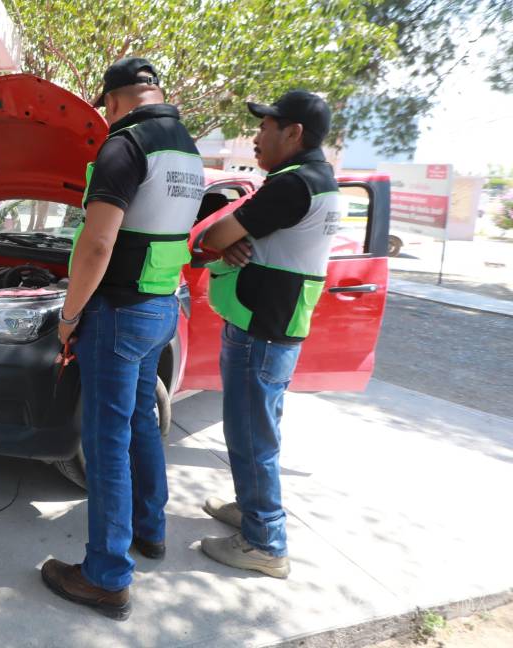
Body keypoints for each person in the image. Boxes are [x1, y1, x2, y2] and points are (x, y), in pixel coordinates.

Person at [40, 57, 205, 620]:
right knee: (139, 423)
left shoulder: (124, 145)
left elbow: (96, 245)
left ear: (112, 100)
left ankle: (106, 577)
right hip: (160, 306)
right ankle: (149, 529)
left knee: (106, 441)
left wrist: (68, 316)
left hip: (116, 313)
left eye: (102, 107)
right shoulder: (186, 150)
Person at [198, 91, 340, 578]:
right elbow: (238, 240)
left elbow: (213, 239)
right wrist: (239, 241)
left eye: (266, 127)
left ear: (293, 133)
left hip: (262, 326)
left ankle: (264, 541)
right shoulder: (314, 180)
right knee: (250, 428)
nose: (257, 137)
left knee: (253, 434)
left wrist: (229, 241)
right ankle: (252, 509)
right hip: (271, 323)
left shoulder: (293, 185)